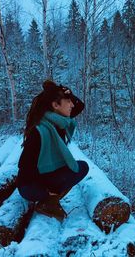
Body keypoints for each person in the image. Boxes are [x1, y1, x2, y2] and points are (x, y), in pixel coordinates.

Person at [17, 80, 89, 221]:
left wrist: (68, 93)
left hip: (45, 180)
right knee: (70, 172)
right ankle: (49, 200)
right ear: (55, 105)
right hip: (31, 187)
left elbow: (80, 106)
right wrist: (49, 186)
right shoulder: (40, 130)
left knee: (81, 167)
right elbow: (24, 168)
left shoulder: (59, 121)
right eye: (68, 101)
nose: (72, 104)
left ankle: (49, 202)